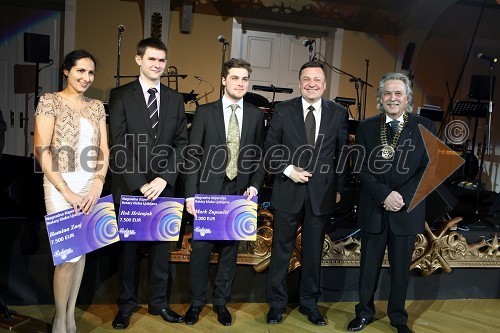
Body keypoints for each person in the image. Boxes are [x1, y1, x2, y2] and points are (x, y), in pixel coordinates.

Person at [347, 72, 436, 333]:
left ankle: (398, 317)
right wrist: (384, 194)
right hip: (375, 207)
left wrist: (402, 197)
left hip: (407, 210)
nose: (393, 98)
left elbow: (429, 168)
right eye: (387, 93)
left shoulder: (425, 126)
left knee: (400, 270)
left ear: (407, 98)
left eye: (398, 94)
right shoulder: (366, 126)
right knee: (368, 267)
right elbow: (361, 168)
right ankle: (364, 313)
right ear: (380, 98)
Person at [108, 38, 188, 329]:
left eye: (162, 61)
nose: (157, 65)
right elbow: (118, 143)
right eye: (152, 59)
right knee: (128, 252)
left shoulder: (174, 98)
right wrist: (141, 183)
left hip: (163, 188)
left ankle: (159, 304)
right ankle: (126, 306)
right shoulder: (119, 95)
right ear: (138, 59)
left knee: (160, 252)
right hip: (131, 187)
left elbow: (182, 144)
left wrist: (163, 178)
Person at [264, 60, 348, 326]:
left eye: (317, 80)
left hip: (321, 194)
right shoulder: (283, 110)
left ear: (324, 84)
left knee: (313, 252)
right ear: (299, 83)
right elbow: (270, 149)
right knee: (281, 251)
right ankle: (276, 304)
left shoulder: (338, 112)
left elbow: (342, 154)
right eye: (307, 79)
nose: (312, 83)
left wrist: (338, 189)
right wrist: (289, 170)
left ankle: (309, 303)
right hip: (288, 190)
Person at [183, 58, 265, 326]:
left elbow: (259, 155)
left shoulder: (255, 114)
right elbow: (193, 156)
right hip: (208, 192)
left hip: (239, 191)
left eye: (244, 79)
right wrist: (190, 195)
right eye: (235, 78)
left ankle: (221, 303)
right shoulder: (205, 112)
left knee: (230, 251)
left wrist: (255, 184)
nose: (240, 83)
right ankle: (196, 303)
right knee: (201, 251)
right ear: (223, 80)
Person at [33, 49, 109, 333]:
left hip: (90, 185)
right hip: (59, 185)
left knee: (82, 251)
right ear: (66, 71)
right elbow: (41, 150)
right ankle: (59, 320)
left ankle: (69, 315)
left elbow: (104, 150)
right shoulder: (49, 101)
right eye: (80, 71)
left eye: (90, 72)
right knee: (67, 256)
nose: (86, 77)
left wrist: (98, 183)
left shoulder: (97, 106)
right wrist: (67, 191)